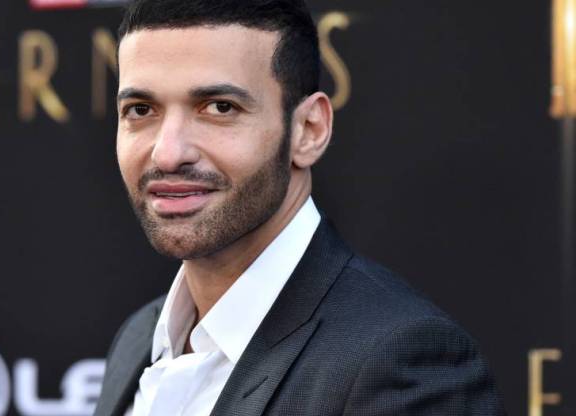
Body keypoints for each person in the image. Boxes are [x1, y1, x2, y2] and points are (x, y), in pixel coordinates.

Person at [94, 0, 505, 415]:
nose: (167, 153)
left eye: (220, 107)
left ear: (309, 130)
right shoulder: (139, 338)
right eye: (140, 110)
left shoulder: (398, 360)